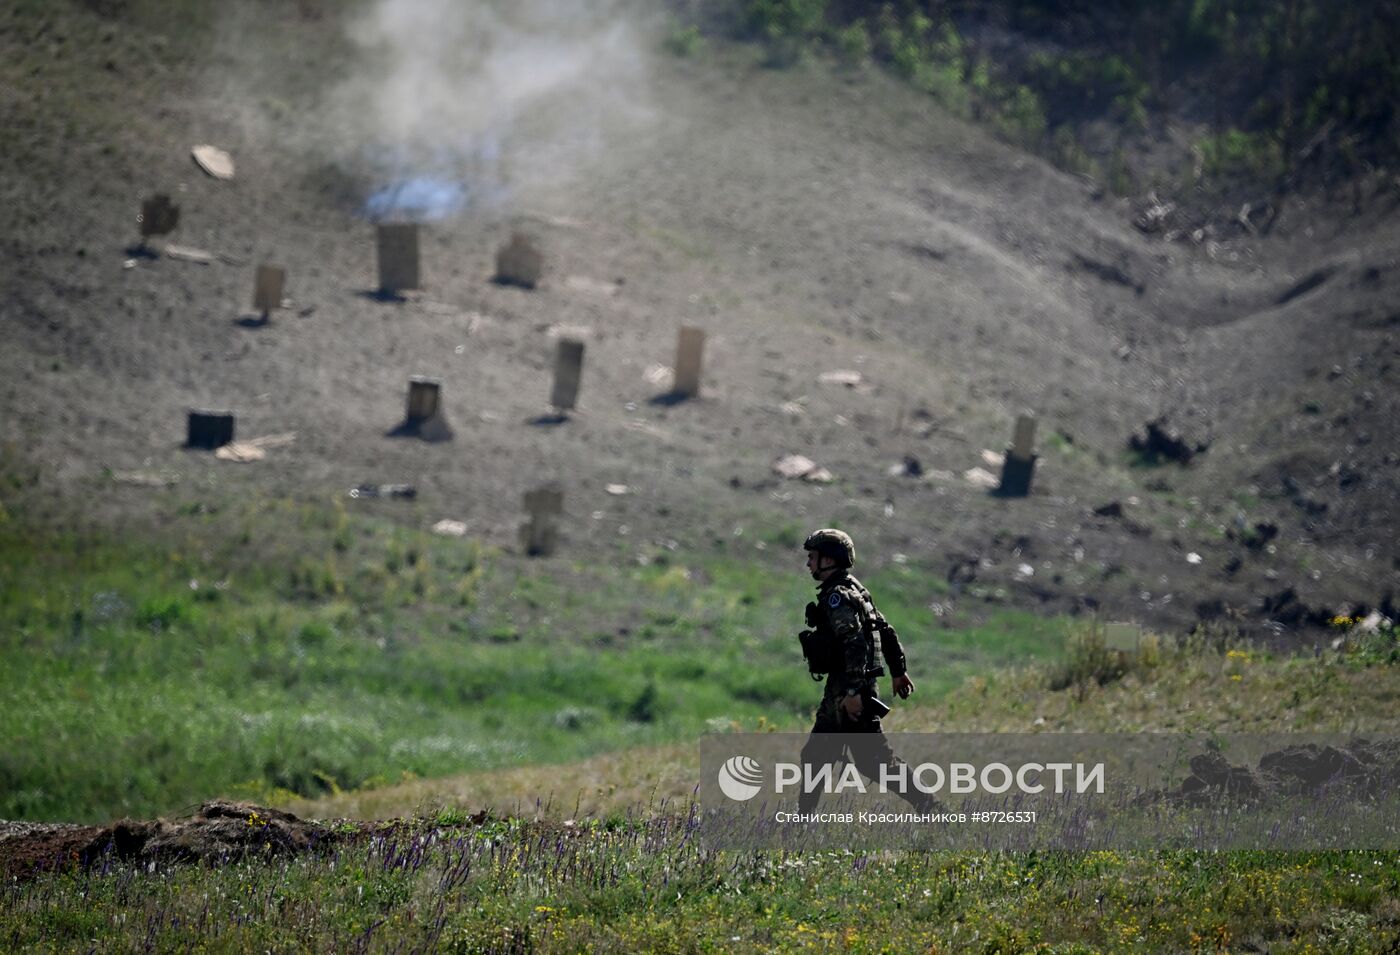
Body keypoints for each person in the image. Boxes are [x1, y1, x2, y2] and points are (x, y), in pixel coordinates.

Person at [796, 528, 933, 813]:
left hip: (850, 688)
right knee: (816, 755)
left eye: (813, 557)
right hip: (845, 687)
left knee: (875, 761)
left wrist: (853, 692)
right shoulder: (855, 589)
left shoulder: (837, 597)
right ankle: (801, 823)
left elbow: (855, 643)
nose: (809, 563)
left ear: (829, 560)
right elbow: (885, 629)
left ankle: (933, 809)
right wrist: (898, 671)